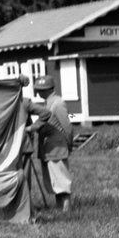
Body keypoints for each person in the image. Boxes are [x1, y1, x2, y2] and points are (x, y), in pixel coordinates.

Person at [32, 75, 73, 212]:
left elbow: (67, 127)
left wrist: (69, 144)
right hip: (48, 148)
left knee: (61, 177)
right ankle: (59, 206)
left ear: (48, 89)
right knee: (53, 179)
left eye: (40, 90)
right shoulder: (48, 103)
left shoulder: (58, 103)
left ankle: (66, 208)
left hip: (57, 146)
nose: (38, 92)